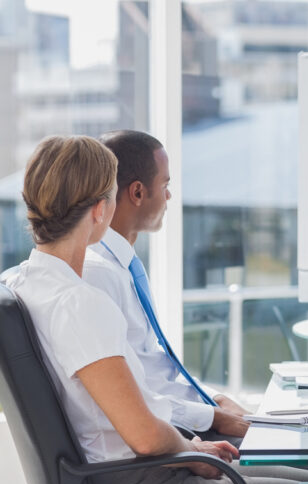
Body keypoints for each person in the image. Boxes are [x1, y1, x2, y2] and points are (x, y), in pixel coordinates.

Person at [3, 135, 308, 484]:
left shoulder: (24, 282)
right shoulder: (79, 302)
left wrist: (193, 445)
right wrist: (191, 448)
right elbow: (145, 436)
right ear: (100, 209)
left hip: (132, 480)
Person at [81, 130, 250, 444]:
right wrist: (214, 417)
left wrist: (215, 399)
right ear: (137, 192)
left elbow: (156, 369)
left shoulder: (124, 265)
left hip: (188, 421)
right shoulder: (98, 275)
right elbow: (135, 396)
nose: (169, 196)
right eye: (165, 185)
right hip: (176, 435)